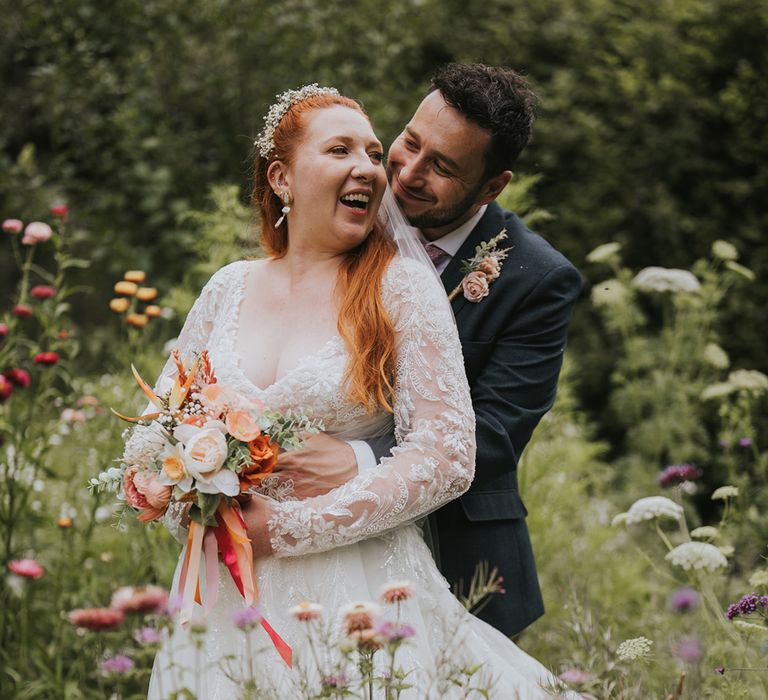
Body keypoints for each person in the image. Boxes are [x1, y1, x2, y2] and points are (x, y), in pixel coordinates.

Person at [129, 85, 576, 698]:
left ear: (490, 185)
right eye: (395, 146)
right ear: (281, 178)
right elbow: (158, 430)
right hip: (219, 588)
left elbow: (459, 449)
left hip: (362, 580)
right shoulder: (229, 286)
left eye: (440, 165)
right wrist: (177, 487)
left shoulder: (411, 286)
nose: (386, 169)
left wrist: (290, 523)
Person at [271, 64, 583, 638]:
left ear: (492, 186)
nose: (408, 172)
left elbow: (497, 430)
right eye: (410, 143)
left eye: (441, 166)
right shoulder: (346, 215)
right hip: (308, 563)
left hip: (458, 559)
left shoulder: (538, 279)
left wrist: (359, 459)